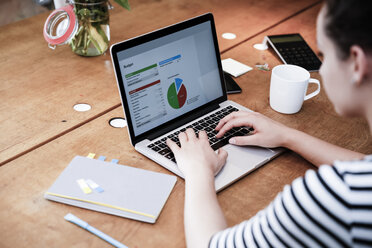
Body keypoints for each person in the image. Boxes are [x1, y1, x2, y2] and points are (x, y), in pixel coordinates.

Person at [166, 0, 372, 247]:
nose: (323, 70)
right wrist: (289, 136)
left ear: (357, 63)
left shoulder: (335, 197)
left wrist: (199, 171)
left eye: (323, 56)